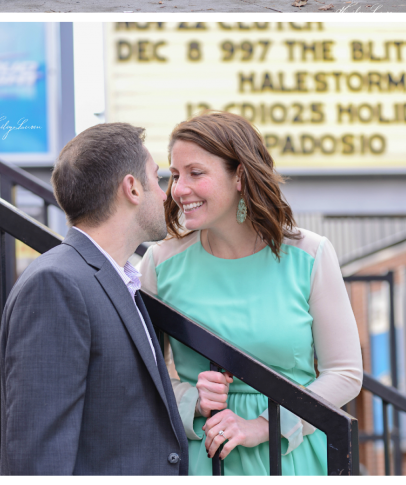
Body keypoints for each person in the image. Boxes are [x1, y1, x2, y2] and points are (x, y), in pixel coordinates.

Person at [139, 111, 362, 474]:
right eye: (175, 175)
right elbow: (140, 377)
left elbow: (345, 373)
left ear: (240, 175)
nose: (178, 189)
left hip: (292, 457)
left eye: (196, 173)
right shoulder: (159, 262)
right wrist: (192, 399)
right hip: (204, 458)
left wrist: (265, 426)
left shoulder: (310, 254)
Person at [0, 122, 187, 475]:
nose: (166, 195)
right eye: (158, 179)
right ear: (131, 188)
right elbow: (39, 459)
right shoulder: (57, 285)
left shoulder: (114, 279)